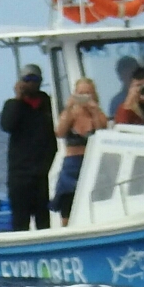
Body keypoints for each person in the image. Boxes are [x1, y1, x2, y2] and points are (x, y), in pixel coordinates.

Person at [0, 64, 57, 230]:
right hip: (20, 174)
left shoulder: (48, 104)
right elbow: (7, 125)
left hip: (43, 172)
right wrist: (18, 97)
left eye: (35, 79)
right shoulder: (13, 105)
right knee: (20, 220)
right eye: (27, 79)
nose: (31, 83)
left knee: (44, 220)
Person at [52, 77, 109, 224]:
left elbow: (101, 132)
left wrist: (94, 110)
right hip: (72, 164)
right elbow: (60, 132)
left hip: (91, 163)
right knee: (67, 206)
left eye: (87, 93)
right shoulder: (70, 114)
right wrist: (69, 108)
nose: (83, 97)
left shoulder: (98, 114)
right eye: (80, 93)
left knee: (94, 204)